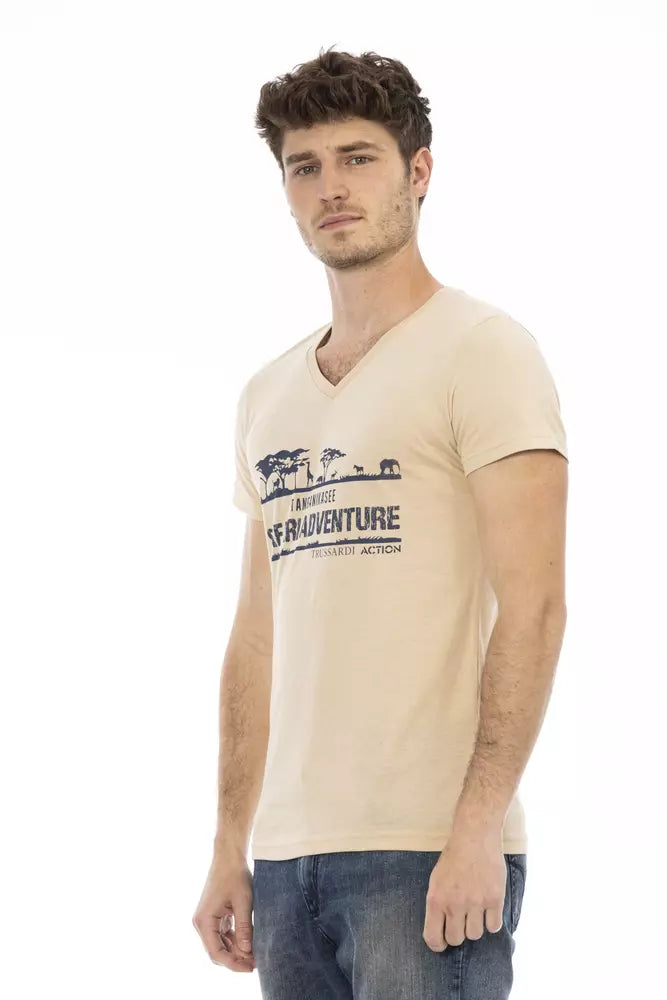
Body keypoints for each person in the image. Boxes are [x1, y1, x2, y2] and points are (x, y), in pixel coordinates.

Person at [192, 45, 568, 999]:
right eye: (304, 167)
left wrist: (476, 828)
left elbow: (534, 609)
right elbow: (256, 636)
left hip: (424, 850)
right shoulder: (268, 394)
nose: (330, 187)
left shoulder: (482, 351)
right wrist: (231, 843)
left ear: (418, 171)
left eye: (358, 158)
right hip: (285, 863)